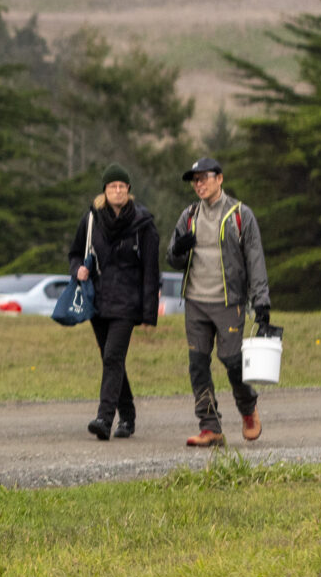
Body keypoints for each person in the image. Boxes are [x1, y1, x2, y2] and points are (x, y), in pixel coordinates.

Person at [168, 156, 273, 449]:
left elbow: (255, 259)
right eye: (195, 180)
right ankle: (209, 426)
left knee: (232, 360)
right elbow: (171, 258)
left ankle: (248, 407)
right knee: (197, 364)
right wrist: (178, 249)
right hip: (195, 302)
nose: (199, 184)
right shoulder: (189, 215)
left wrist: (261, 302)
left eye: (205, 178)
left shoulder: (240, 214)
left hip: (229, 302)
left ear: (220, 179)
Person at [68, 164, 157, 441]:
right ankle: (128, 416)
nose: (117, 190)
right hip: (98, 300)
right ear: (104, 191)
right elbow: (74, 254)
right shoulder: (91, 219)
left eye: (122, 186)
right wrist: (77, 271)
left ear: (128, 190)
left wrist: (148, 314)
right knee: (112, 360)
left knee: (112, 357)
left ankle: (104, 419)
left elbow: (151, 272)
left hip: (127, 303)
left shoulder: (144, 224)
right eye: (112, 186)